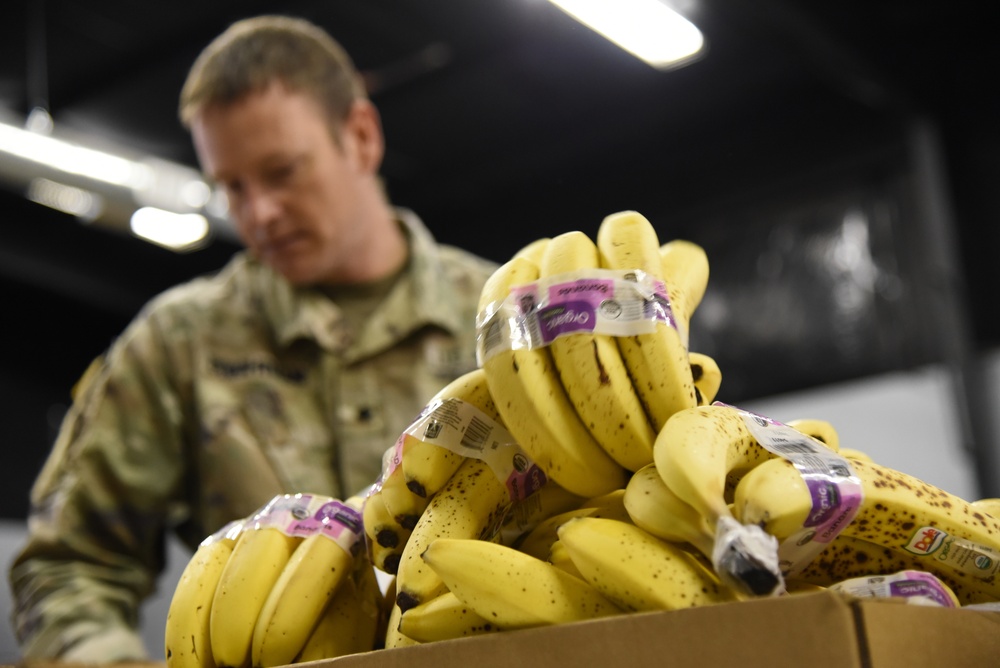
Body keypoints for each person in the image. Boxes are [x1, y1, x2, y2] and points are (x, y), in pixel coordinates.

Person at [7, 14, 497, 661]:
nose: (258, 212)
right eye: (231, 187)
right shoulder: (180, 341)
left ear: (360, 136)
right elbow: (68, 565)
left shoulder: (501, 319)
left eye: (282, 171)